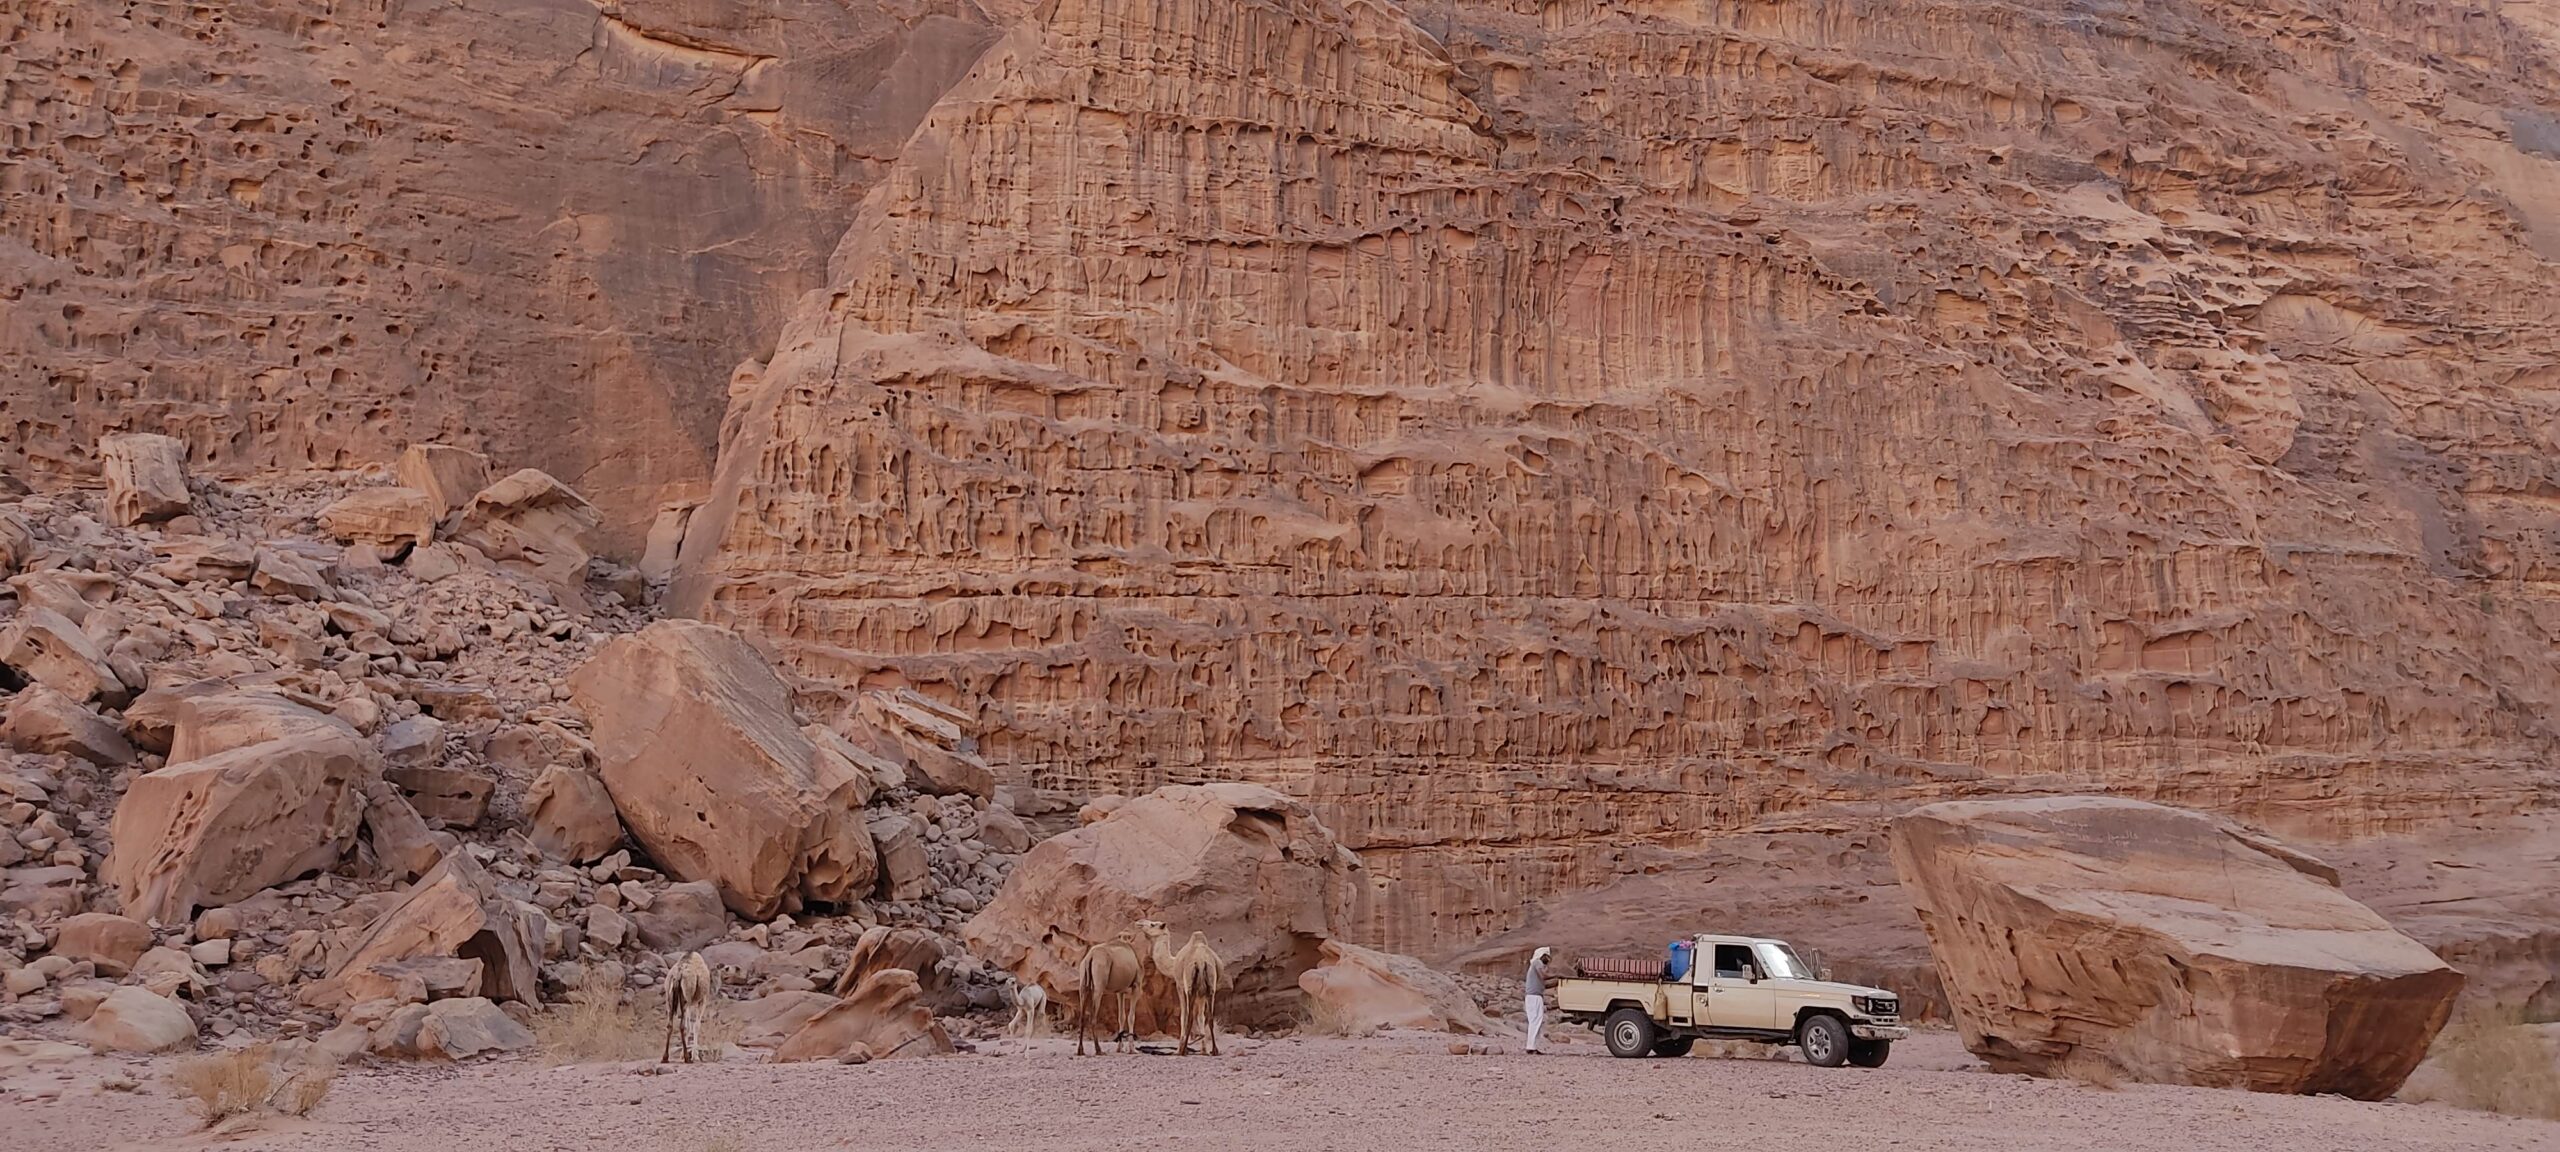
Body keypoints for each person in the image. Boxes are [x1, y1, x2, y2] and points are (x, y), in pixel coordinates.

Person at [1523, 946, 1553, 1054]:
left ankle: (1532, 1046)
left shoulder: (1535, 964)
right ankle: (1531, 1047)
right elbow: (1543, 975)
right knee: (1535, 1021)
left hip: (1534, 996)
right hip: (1534, 997)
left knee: (1535, 1021)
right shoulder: (1537, 963)